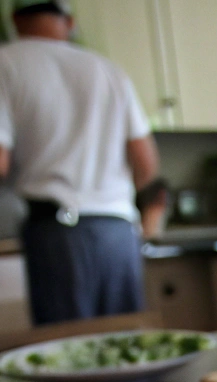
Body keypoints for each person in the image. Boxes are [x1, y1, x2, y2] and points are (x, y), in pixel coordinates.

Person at [0, 0, 162, 325]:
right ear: (70, 23)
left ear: (16, 19)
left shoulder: (6, 62)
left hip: (58, 236)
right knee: (129, 350)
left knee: (71, 355)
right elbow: (147, 166)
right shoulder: (109, 70)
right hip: (119, 233)